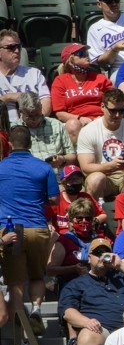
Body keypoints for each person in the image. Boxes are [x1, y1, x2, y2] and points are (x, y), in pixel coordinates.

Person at [0, 126, 55, 330]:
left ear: (11, 144)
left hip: (10, 229)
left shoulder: (1, 167)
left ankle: (18, 330)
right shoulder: (44, 167)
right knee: (37, 276)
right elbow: (55, 199)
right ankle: (36, 309)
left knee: (15, 283)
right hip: (37, 227)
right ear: (30, 144)